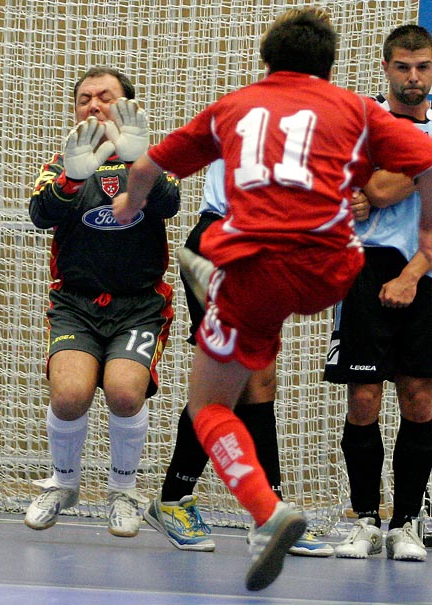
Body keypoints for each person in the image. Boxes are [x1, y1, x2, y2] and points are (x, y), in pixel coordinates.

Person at [113, 8, 432, 591]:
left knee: (209, 404)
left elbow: (149, 166)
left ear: (265, 61)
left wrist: (128, 207)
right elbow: (427, 158)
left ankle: (268, 509)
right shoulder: (358, 108)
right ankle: (219, 284)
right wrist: (428, 243)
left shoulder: (234, 105)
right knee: (273, 350)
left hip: (256, 270)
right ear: (332, 66)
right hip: (334, 269)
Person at [144, 159, 334, 557]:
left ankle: (268, 513)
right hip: (224, 241)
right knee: (228, 381)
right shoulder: (248, 116)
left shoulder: (310, 129)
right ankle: (176, 499)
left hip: (264, 248)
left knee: (259, 381)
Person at [25, 67, 180, 538]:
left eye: (105, 97)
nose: (93, 105)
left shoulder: (153, 159)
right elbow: (39, 214)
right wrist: (72, 179)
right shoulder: (61, 163)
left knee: (125, 392)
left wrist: (139, 164)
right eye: (84, 99)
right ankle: (64, 482)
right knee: (70, 395)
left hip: (139, 305)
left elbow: (169, 204)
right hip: (76, 303)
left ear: (127, 106)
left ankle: (123, 491)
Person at [324, 24, 432, 563]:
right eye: (403, 67)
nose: (413, 78)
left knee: (420, 398)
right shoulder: (360, 120)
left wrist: (378, 184)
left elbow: (382, 187)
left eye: (424, 67)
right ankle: (365, 518)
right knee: (364, 398)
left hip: (425, 271)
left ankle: (407, 521)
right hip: (363, 270)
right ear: (386, 67)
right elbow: (352, 189)